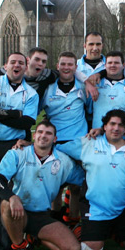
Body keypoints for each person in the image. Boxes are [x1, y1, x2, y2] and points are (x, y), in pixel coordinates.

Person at [0, 120, 84, 250]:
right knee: (7, 204)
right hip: (19, 212)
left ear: (55, 139)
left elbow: (85, 182)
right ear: (34, 136)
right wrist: (12, 197)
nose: (43, 136)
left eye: (48, 133)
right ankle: (20, 249)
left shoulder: (64, 161)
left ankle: (34, 237)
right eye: (40, 132)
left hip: (42, 215)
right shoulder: (18, 153)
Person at [0, 52, 39, 250]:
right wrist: (15, 114)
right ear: (6, 65)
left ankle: (12, 235)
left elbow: (27, 122)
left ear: (25, 66)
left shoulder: (31, 94)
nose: (17, 65)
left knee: (12, 191)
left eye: (21, 63)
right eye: (13, 62)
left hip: (15, 144)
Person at [57, 110, 125, 250]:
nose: (116, 128)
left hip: (120, 208)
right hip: (95, 208)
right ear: (104, 126)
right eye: (112, 124)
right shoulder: (89, 142)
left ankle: (110, 231)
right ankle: (78, 229)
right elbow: (58, 149)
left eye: (121, 125)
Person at [40, 51, 89, 224]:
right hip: (55, 144)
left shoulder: (83, 88)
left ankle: (73, 222)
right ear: (57, 66)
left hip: (78, 144)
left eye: (70, 64)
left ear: (76, 68)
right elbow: (35, 112)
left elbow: (90, 110)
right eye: (63, 64)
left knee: (77, 187)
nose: (66, 67)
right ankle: (54, 222)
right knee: (54, 187)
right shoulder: (48, 89)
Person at [88, 51, 125, 134]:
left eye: (116, 63)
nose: (113, 65)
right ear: (105, 65)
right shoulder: (94, 85)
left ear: (123, 65)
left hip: (124, 138)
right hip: (98, 137)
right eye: (110, 63)